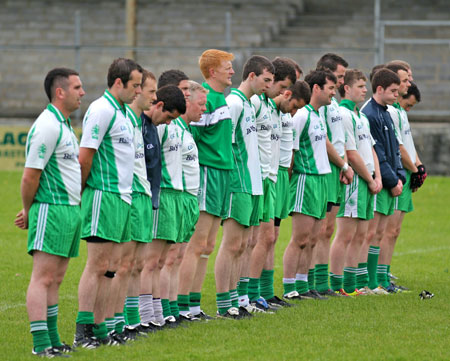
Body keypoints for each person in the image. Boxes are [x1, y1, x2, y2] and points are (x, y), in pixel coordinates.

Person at [15, 68, 85, 357]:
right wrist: (29, 210)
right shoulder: (46, 125)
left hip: (69, 210)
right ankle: (41, 344)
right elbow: (30, 175)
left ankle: (54, 339)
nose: (82, 92)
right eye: (77, 87)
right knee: (43, 278)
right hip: (51, 209)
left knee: (56, 279)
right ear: (60, 92)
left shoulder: (64, 125)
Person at [74, 58, 142, 347]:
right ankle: (83, 332)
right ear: (118, 83)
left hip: (123, 198)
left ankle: (101, 330)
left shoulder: (125, 113)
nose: (138, 91)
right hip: (104, 195)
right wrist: (79, 192)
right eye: (135, 85)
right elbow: (85, 156)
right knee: (97, 265)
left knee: (112, 267)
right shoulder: (101, 110)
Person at [215, 55, 274, 318]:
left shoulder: (250, 105)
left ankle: (240, 299)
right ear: (251, 76)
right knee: (232, 244)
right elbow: (225, 145)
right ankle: (224, 304)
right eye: (266, 80)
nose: (268, 85)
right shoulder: (234, 103)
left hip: (253, 182)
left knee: (246, 243)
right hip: (237, 182)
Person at [181, 49, 235, 319]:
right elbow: (192, 139)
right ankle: (180, 306)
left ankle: (193, 305)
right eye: (227, 67)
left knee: (207, 246)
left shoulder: (219, 99)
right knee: (196, 244)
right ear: (212, 72)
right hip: (208, 173)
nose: (232, 72)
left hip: (223, 174)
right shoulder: (206, 100)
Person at [244, 57, 295, 312]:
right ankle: (251, 295)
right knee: (259, 237)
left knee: (269, 237)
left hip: (272, 177)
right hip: (258, 178)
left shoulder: (270, 107)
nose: (282, 92)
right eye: (280, 86)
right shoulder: (254, 103)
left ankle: (263, 292)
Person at [282, 69, 337, 300]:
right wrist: (290, 179)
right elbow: (292, 153)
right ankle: (289, 287)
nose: (334, 93)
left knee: (314, 238)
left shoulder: (318, 115)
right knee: (300, 238)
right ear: (317, 89)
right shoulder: (302, 116)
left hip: (321, 180)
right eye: (331, 88)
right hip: (306, 180)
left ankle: (304, 285)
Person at [329, 69, 382, 296]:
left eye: (365, 86)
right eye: (360, 86)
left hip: (368, 180)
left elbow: (370, 149)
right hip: (355, 181)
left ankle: (355, 284)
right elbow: (350, 152)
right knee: (346, 235)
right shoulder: (343, 114)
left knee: (362, 235)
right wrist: (370, 179)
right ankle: (338, 285)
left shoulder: (360, 116)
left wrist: (377, 177)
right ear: (347, 88)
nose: (364, 90)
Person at [137, 85, 186, 328]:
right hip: (156, 197)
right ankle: (144, 317)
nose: (168, 122)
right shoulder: (145, 126)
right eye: (168, 116)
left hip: (162, 197)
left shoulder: (158, 127)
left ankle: (155, 314)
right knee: (149, 261)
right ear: (159, 105)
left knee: (157, 261)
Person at [361, 68, 406, 294]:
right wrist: (391, 180)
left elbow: (395, 149)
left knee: (379, 232)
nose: (397, 95)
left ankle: (379, 280)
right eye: (394, 91)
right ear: (380, 89)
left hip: (391, 181)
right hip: (383, 182)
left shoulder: (386, 112)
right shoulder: (369, 114)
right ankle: (370, 281)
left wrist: (401, 176)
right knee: (372, 232)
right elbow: (376, 152)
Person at [312, 53, 354, 297]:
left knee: (326, 230)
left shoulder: (334, 104)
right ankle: (312, 282)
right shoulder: (321, 105)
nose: (341, 82)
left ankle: (320, 282)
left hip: (337, 168)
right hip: (327, 169)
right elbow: (324, 140)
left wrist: (344, 164)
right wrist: (342, 164)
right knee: (320, 229)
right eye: (338, 77)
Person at [121, 69, 157, 338]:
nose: (154, 98)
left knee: (136, 265)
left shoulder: (137, 123)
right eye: (151, 92)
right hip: (127, 197)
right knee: (123, 265)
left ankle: (131, 322)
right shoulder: (124, 120)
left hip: (143, 195)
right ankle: (116, 323)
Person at [381, 78, 425, 292]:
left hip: (405, 172)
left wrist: (418, 167)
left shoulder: (400, 112)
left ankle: (384, 272)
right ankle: (379, 274)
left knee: (394, 230)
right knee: (387, 229)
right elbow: (398, 147)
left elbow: (408, 143)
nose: (408, 81)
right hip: (396, 172)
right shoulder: (390, 112)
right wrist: (414, 169)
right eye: (405, 78)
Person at [175, 81, 209, 320]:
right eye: (201, 104)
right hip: (173, 197)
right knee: (162, 259)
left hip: (187, 197)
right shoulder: (172, 128)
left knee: (177, 255)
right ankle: (174, 308)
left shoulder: (185, 130)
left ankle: (179, 308)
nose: (204, 109)